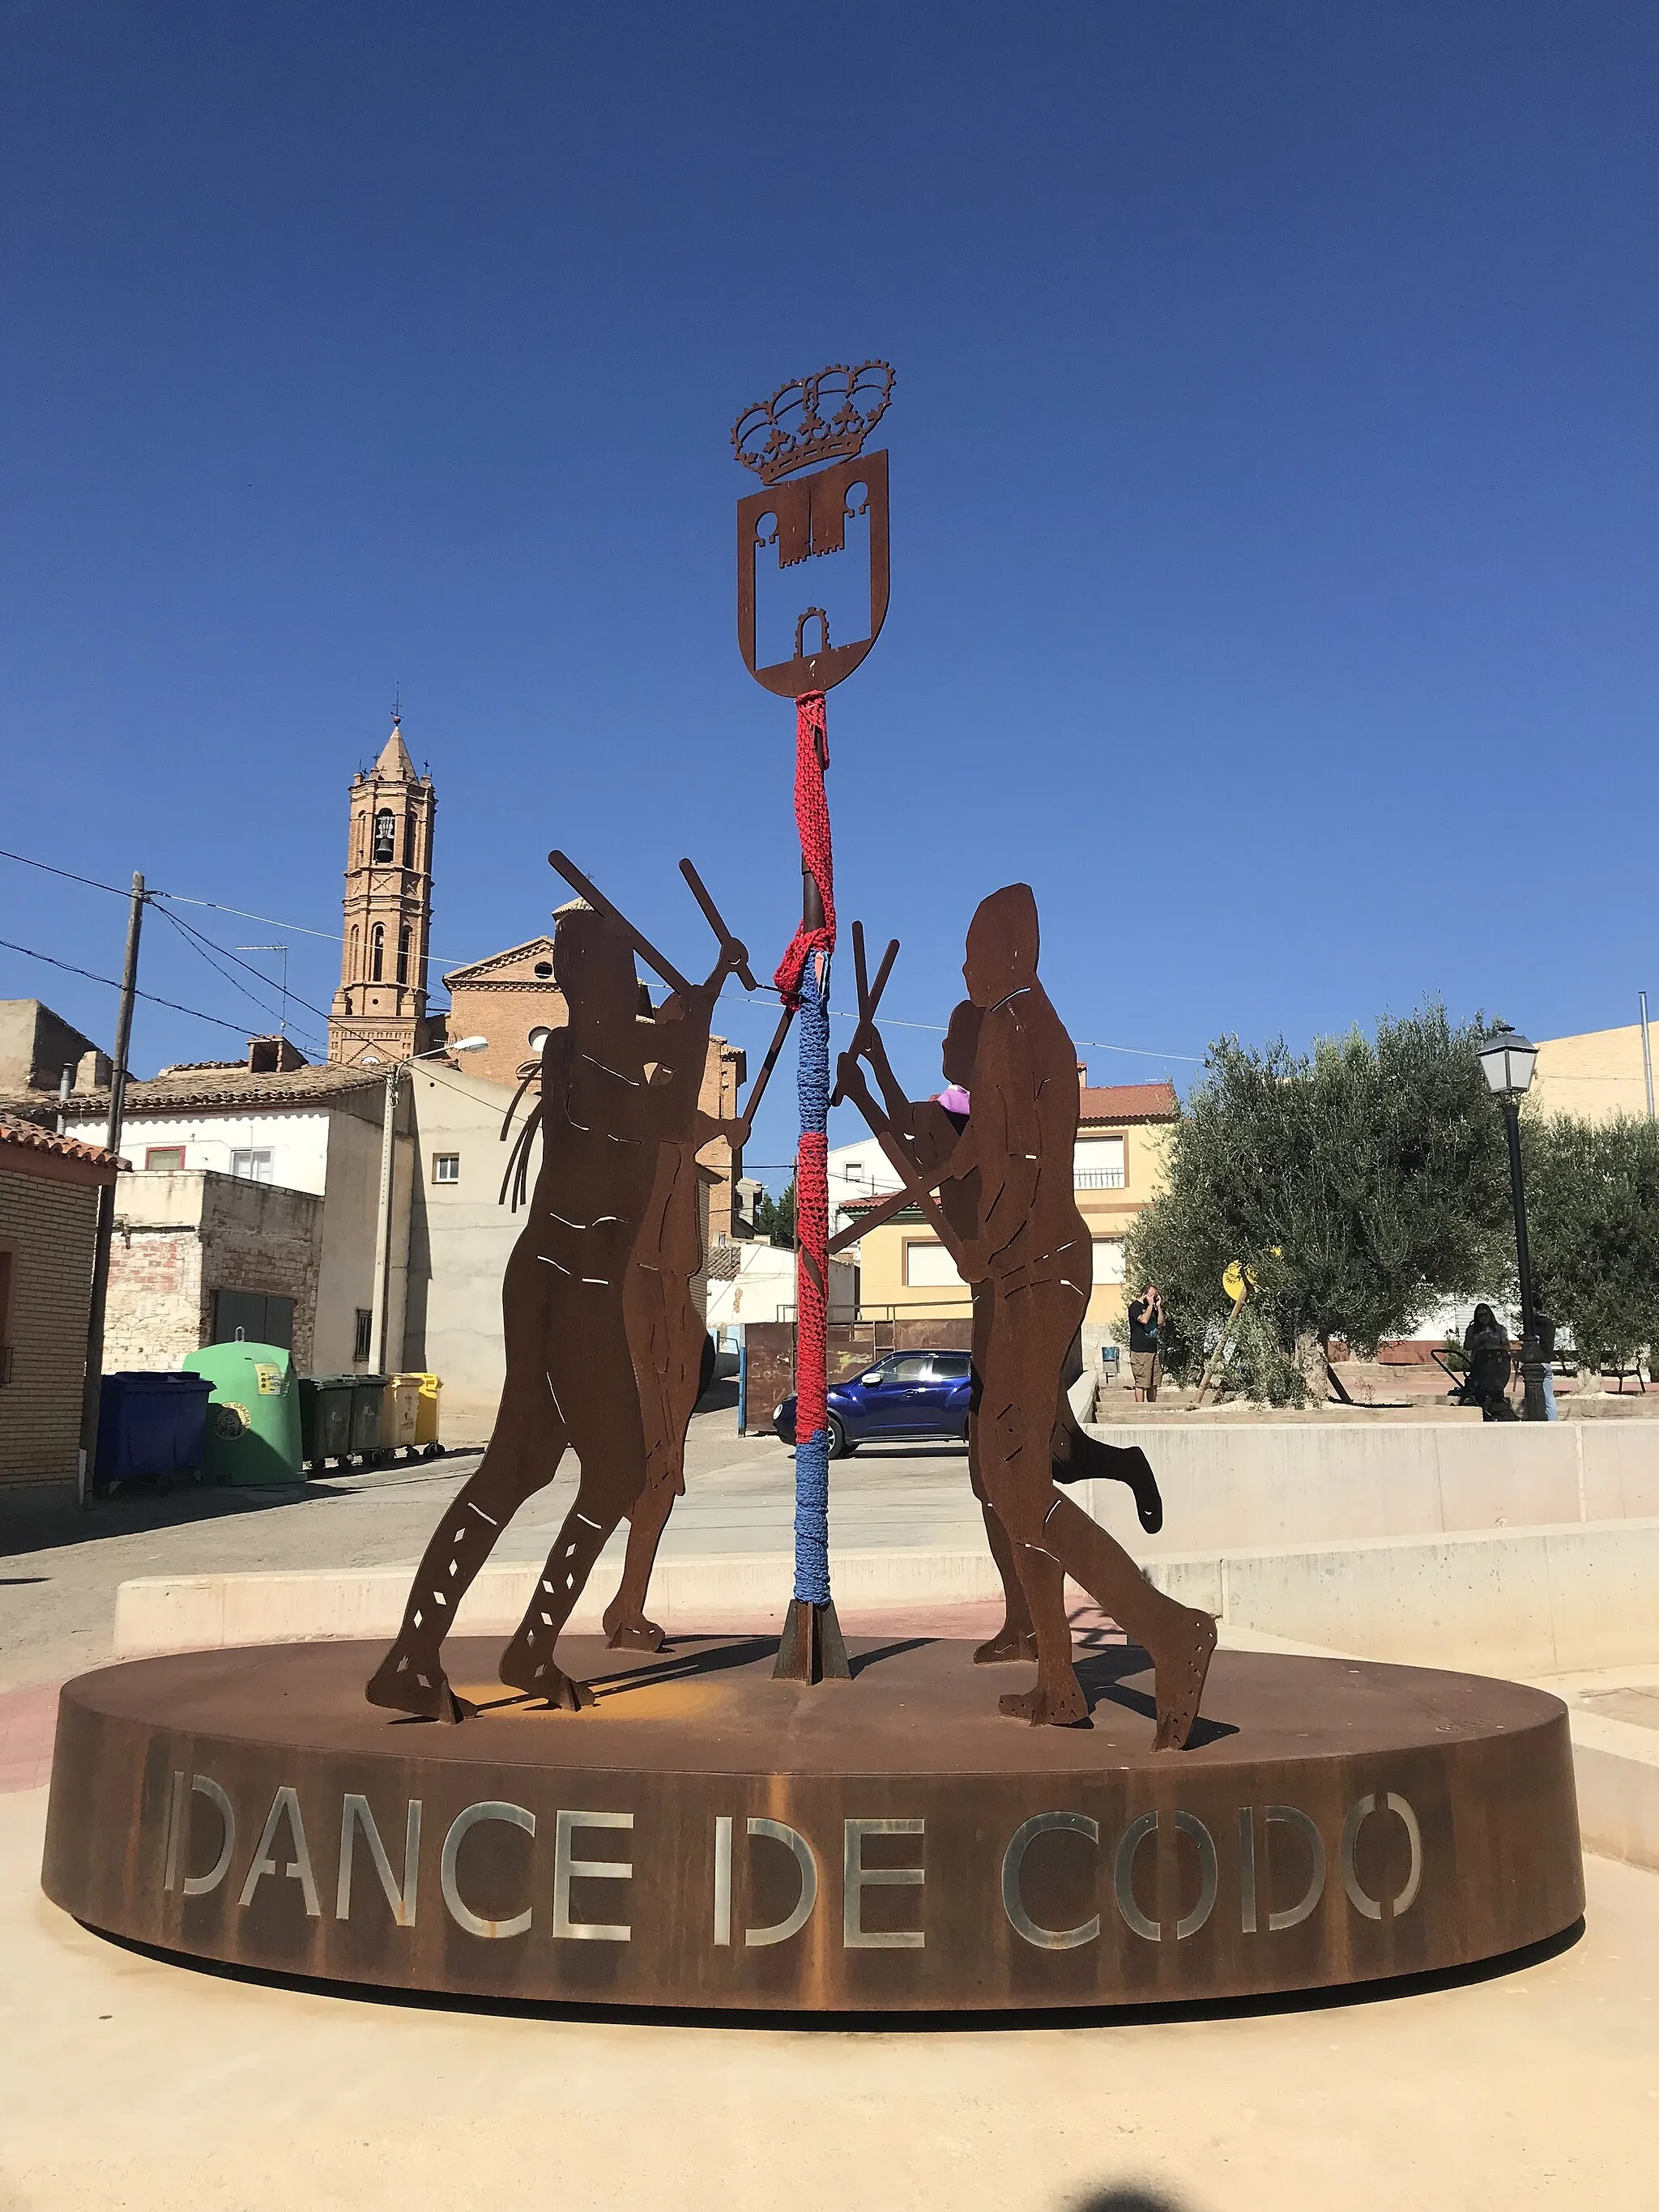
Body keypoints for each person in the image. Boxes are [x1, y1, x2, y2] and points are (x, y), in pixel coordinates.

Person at [844, 884, 1214, 1745]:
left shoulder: (1016, 1028)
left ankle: (1168, 1630)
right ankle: (1057, 1680)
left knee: (1012, 1482)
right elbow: (970, 1147)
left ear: (1014, 954)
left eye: (975, 952)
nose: (966, 969)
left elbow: (1011, 1163)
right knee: (1013, 1483)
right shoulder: (1018, 1029)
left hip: (1034, 1273)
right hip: (1027, 1270)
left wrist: (985, 1245)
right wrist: (887, 1120)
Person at [1461, 1303, 1516, 1422]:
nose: (1483, 1318)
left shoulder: (1499, 1329)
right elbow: (1467, 1346)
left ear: (1490, 1314)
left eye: (1485, 1315)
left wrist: (1493, 1345)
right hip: (1480, 1366)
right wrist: (1479, 1339)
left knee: (1496, 1388)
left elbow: (1507, 1346)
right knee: (1480, 1389)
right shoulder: (1473, 1330)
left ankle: (1498, 1412)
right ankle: (1484, 1412)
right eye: (1480, 1316)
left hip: (1497, 1365)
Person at [1128, 1285, 1162, 1403]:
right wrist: (1149, 1306)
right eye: (1152, 1296)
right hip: (1140, 1352)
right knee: (1141, 1382)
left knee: (1154, 1383)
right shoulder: (1135, 1307)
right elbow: (1144, 1320)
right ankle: (1140, 1409)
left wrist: (1158, 1307)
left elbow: (1161, 1323)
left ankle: (1152, 1408)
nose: (1154, 1298)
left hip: (1153, 1350)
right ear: (1144, 1295)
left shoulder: (1153, 1307)